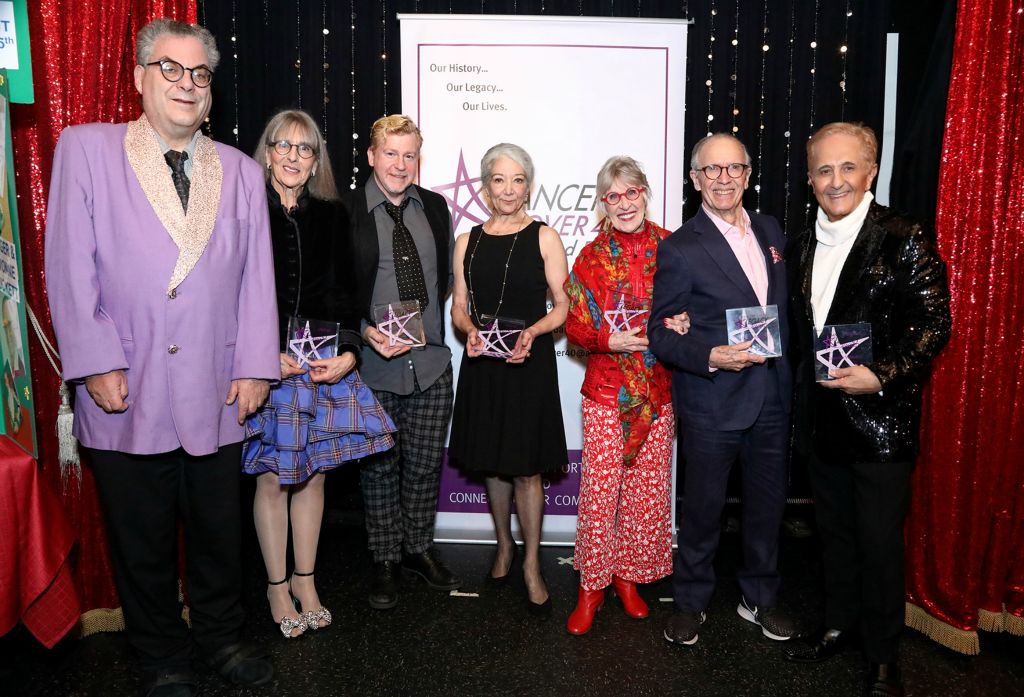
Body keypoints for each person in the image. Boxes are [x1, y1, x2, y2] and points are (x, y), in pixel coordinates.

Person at [45, 18, 277, 697]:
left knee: (217, 531)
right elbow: (69, 266)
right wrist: (92, 363)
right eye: (171, 69)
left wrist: (256, 365)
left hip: (216, 384)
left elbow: (257, 279)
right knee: (140, 537)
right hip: (126, 382)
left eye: (199, 74)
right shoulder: (86, 150)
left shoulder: (238, 170)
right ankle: (161, 654)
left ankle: (223, 636)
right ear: (141, 78)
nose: (187, 84)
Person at [782, 122, 950, 697]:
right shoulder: (804, 241)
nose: (836, 181)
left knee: (879, 544)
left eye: (847, 167)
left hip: (881, 423)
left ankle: (883, 657)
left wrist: (881, 375)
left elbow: (934, 325)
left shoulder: (902, 235)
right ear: (810, 179)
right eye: (824, 170)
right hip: (824, 422)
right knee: (833, 536)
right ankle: (838, 624)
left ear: (871, 170)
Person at [243, 110, 397, 639]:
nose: (292, 156)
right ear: (267, 152)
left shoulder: (333, 216)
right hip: (260, 365)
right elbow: (226, 294)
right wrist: (260, 354)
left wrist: (350, 350)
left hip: (320, 362)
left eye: (304, 149)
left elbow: (347, 294)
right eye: (282, 145)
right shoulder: (241, 210)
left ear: (315, 162)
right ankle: (276, 585)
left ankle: (306, 582)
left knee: (313, 474)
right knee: (272, 477)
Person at [648, 133, 796, 647]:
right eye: (712, 170)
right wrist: (708, 355)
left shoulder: (772, 230)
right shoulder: (680, 247)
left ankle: (759, 597)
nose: (724, 178)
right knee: (704, 509)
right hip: (713, 400)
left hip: (773, 397)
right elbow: (661, 333)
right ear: (695, 180)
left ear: (749, 174)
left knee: (767, 506)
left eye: (734, 168)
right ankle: (690, 602)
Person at [343, 115, 461, 610]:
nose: (400, 164)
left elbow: (444, 286)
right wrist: (365, 331)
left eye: (409, 154)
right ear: (371, 156)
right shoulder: (345, 210)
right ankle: (385, 559)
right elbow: (335, 288)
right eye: (390, 153)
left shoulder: (434, 208)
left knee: (425, 466)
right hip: (375, 367)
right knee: (378, 469)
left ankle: (418, 549)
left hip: (431, 364)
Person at [448, 143, 569, 614]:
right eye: (499, 179)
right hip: (484, 363)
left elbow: (562, 305)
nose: (508, 189)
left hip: (527, 362)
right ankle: (503, 546)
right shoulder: (467, 240)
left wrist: (534, 333)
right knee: (494, 463)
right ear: (485, 186)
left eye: (518, 179)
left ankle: (533, 564)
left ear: (529, 186)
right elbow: (459, 305)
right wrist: (469, 330)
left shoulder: (545, 236)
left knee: (526, 468)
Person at [562, 156, 678, 634]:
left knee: (645, 495)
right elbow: (573, 327)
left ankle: (628, 579)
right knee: (599, 493)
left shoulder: (674, 247)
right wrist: (611, 341)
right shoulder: (590, 257)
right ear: (602, 203)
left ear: (645, 193)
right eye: (613, 195)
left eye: (631, 193)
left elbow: (693, 306)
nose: (624, 203)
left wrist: (683, 323)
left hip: (658, 391)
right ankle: (591, 584)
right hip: (607, 391)